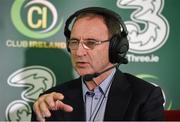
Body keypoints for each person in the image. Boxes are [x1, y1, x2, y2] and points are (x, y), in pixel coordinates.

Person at [31, 7, 165, 121]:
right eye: (74, 42)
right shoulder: (51, 100)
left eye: (91, 43)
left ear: (116, 47)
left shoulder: (145, 96)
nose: (79, 52)